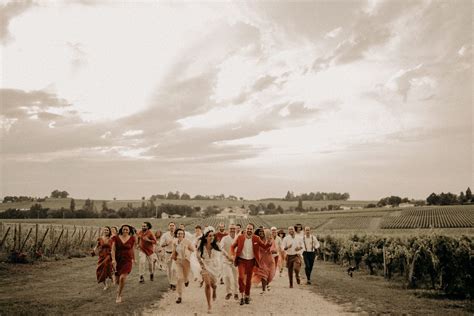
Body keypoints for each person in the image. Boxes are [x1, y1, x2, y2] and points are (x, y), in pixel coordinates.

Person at [231, 223, 272, 305]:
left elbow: (264, 246)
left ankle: (247, 296)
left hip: (251, 261)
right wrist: (232, 255)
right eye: (248, 229)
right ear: (246, 229)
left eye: (251, 229)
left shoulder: (256, 238)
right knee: (241, 277)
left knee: (249, 280)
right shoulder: (240, 237)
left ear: (253, 230)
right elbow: (232, 247)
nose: (249, 230)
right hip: (241, 261)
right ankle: (241, 295)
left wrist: (269, 242)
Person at [196, 227, 221, 314]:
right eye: (210, 236)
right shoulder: (201, 246)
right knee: (207, 284)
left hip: (214, 267)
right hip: (205, 266)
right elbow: (197, 256)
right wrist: (202, 265)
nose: (212, 238)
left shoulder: (216, 245)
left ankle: (214, 290)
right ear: (206, 237)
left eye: (213, 236)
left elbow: (222, 254)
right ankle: (209, 305)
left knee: (213, 285)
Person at [111, 225, 136, 303]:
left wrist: (134, 259)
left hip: (127, 260)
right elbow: (113, 249)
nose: (125, 230)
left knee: (122, 278)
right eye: (124, 229)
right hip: (118, 260)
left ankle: (119, 295)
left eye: (127, 229)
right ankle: (115, 276)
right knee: (118, 280)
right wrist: (113, 259)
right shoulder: (116, 238)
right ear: (121, 230)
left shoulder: (132, 238)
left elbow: (132, 249)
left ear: (129, 230)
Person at [172, 228, 195, 304]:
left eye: (181, 233)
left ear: (183, 234)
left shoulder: (187, 242)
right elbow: (174, 251)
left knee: (185, 277)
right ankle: (179, 296)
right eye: (178, 233)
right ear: (176, 234)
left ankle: (186, 280)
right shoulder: (175, 242)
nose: (180, 235)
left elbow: (193, 250)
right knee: (179, 278)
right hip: (178, 261)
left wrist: (192, 255)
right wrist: (172, 257)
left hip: (186, 262)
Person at [252, 228, 275, 294]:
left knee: (270, 275)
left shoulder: (269, 239)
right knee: (263, 273)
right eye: (260, 231)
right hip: (261, 259)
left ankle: (267, 284)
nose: (261, 232)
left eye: (263, 231)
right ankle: (263, 290)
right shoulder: (256, 240)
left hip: (269, 259)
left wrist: (271, 249)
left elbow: (273, 247)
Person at [219, 224, 239, 300]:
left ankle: (236, 293)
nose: (232, 230)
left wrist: (235, 257)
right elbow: (221, 248)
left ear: (236, 229)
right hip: (226, 260)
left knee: (235, 277)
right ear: (228, 229)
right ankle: (228, 292)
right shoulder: (225, 238)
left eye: (234, 228)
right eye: (231, 228)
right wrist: (227, 256)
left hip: (235, 260)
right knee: (227, 276)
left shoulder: (238, 238)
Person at [161, 222, 177, 290]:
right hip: (168, 253)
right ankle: (171, 283)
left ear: (175, 227)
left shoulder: (177, 234)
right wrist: (167, 243)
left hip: (176, 254)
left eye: (173, 225)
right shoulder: (165, 235)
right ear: (168, 227)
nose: (172, 227)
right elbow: (161, 244)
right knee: (169, 269)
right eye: (170, 225)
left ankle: (174, 283)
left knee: (175, 269)